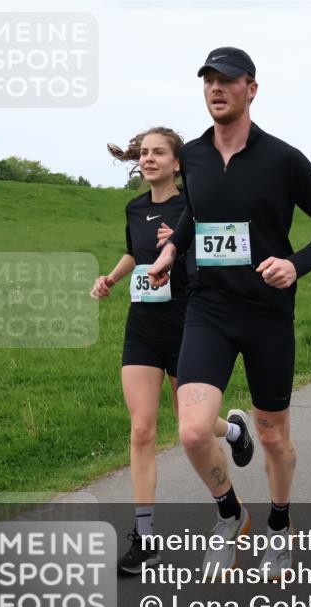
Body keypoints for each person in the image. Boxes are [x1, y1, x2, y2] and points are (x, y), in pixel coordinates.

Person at [147, 47, 311, 576]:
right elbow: (195, 212)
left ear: (251, 89)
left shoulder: (283, 158)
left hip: (266, 312)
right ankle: (230, 513)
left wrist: (295, 264)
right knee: (193, 431)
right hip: (208, 307)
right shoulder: (192, 155)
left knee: (274, 436)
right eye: (209, 80)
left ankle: (280, 525)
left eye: (227, 80)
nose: (216, 88)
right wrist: (171, 252)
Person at [93, 127, 254, 575]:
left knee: (191, 423)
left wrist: (182, 242)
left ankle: (233, 439)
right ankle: (146, 540)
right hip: (143, 326)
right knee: (142, 430)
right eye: (143, 153)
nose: (148, 159)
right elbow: (135, 253)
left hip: (189, 323)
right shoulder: (135, 207)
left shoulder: (192, 207)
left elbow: (218, 256)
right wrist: (111, 278)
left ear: (177, 163)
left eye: (158, 152)